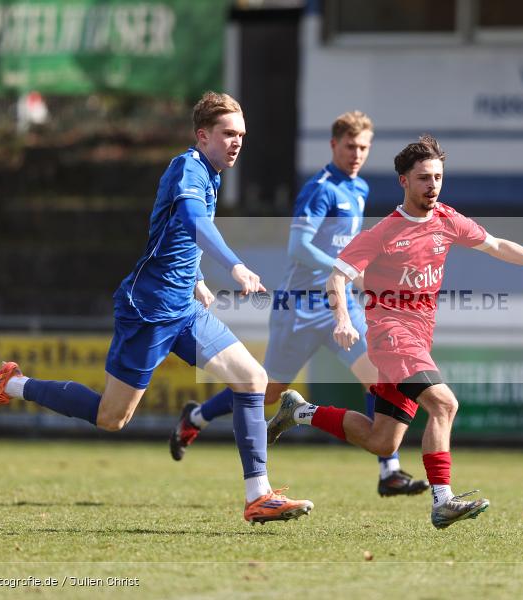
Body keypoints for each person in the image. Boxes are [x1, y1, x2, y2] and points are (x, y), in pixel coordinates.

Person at [0, 92, 313, 525]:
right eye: (228, 133)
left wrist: (199, 280)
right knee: (112, 417)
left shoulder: (211, 173)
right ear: (202, 135)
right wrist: (236, 267)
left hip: (183, 308)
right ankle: (14, 384)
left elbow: (175, 238)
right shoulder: (187, 167)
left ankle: (258, 495)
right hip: (148, 310)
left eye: (241, 134)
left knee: (251, 379)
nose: (237, 142)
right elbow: (193, 222)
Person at [267, 135, 523, 529]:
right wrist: (344, 321)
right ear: (404, 181)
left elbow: (498, 245)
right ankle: (443, 500)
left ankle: (299, 411)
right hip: (390, 337)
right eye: (423, 178)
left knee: (383, 440)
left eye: (437, 177)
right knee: (445, 404)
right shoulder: (384, 233)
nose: (432, 185)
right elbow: (337, 277)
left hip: (417, 341)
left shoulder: (447, 220)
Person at [168, 111, 429, 497]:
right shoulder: (320, 188)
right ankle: (197, 415)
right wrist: (347, 267)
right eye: (349, 146)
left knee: (380, 376)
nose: (356, 154)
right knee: (269, 392)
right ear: (333, 145)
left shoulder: (358, 189)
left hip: (340, 303)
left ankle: (388, 470)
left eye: (363, 147)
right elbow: (299, 248)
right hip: (299, 308)